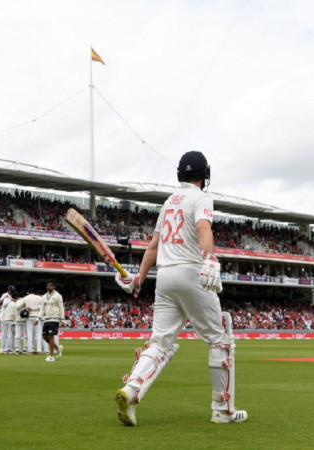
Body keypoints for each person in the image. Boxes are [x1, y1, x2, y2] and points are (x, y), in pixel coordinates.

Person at [114, 150, 247, 426]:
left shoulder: (168, 203)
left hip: (164, 277)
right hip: (190, 272)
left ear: (179, 174)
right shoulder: (201, 198)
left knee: (159, 343)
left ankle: (131, 390)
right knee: (220, 339)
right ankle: (223, 410)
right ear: (205, 174)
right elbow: (202, 228)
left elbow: (153, 247)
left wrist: (139, 277)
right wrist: (209, 257)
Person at [41, 280, 64, 362]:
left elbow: (61, 307)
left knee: (51, 336)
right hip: (46, 319)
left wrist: (62, 319)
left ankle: (51, 356)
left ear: (54, 287)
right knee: (45, 337)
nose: (48, 287)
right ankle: (58, 349)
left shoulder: (58, 296)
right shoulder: (44, 297)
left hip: (54, 318)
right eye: (48, 285)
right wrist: (39, 318)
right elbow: (42, 308)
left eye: (50, 285)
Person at [0, 285, 15, 354]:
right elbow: (1, 304)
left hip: (9, 317)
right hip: (4, 316)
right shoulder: (5, 295)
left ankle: (7, 348)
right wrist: (8, 299)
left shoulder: (12, 295)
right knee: (4, 333)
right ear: (9, 290)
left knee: (9, 333)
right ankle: (2, 348)